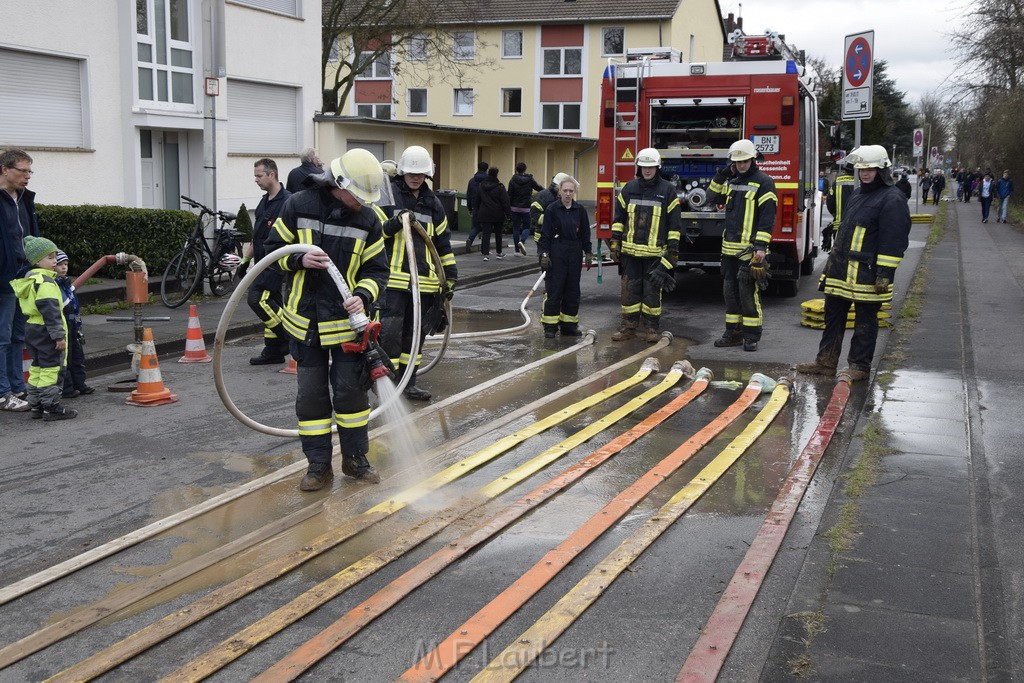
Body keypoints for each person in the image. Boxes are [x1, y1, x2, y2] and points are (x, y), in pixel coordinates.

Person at [263, 148, 390, 491]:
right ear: (339, 183)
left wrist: (362, 296)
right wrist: (298, 261)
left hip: (347, 326)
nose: (362, 203)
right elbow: (272, 256)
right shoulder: (297, 204)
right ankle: (319, 466)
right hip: (304, 323)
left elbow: (378, 270)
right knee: (311, 397)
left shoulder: (368, 220)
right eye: (358, 196)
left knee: (351, 396)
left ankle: (355, 459)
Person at [796, 144, 911, 382]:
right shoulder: (858, 194)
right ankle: (825, 362)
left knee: (865, 321)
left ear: (883, 169)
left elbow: (894, 240)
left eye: (870, 169)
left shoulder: (893, 199)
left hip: (867, 274)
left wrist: (884, 273)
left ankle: (859, 366)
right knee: (833, 317)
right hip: (841, 270)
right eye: (862, 169)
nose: (865, 173)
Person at [376, 146, 458, 401]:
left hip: (424, 283)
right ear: (402, 172)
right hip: (393, 281)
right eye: (411, 172)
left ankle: (408, 382)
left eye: (420, 173)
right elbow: (374, 232)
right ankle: (387, 385)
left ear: (427, 175)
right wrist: (393, 222)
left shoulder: (434, 205)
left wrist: (450, 276)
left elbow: (442, 244)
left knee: (415, 337)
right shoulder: (388, 196)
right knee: (389, 335)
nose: (415, 177)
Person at [706, 139, 777, 352]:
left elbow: (767, 217)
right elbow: (710, 196)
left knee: (748, 295)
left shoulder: (765, 182)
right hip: (729, 251)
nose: (741, 165)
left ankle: (751, 336)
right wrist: (722, 174)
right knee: (730, 294)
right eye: (737, 162)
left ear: (753, 159)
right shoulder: (732, 181)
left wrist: (761, 247)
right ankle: (733, 333)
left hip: (750, 252)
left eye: (745, 161)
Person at [609, 147, 681, 343]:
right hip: (630, 254)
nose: (647, 170)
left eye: (651, 167)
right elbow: (619, 218)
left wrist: (672, 250)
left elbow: (674, 225)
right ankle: (628, 328)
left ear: (657, 168)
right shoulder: (629, 188)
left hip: (654, 255)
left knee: (651, 293)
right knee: (629, 292)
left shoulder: (667, 190)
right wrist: (615, 241)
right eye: (643, 167)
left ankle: (651, 328)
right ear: (638, 168)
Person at [11, 236, 76, 420]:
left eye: (55, 256)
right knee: (52, 369)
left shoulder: (30, 280)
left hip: (32, 328)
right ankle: (51, 407)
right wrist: (59, 337)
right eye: (50, 257)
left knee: (38, 368)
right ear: (37, 261)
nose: (55, 260)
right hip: (47, 330)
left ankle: (36, 405)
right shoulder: (46, 281)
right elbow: (51, 311)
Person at [0, 149, 39, 412]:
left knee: (16, 337)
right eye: (22, 171)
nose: (27, 177)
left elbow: (31, 238)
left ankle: (17, 387)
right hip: (3, 278)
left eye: (29, 171)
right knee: (1, 337)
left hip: (23, 277)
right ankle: (2, 393)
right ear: (4, 169)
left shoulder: (24, 199)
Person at [246, 158, 292, 365]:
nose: (255, 179)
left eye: (259, 175)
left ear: (272, 174)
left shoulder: (288, 202)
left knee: (257, 299)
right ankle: (274, 350)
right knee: (273, 303)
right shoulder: (264, 202)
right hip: (261, 262)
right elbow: (257, 235)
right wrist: (245, 261)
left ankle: (288, 336)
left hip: (276, 262)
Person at [538, 176, 593, 338]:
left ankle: (569, 326)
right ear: (559, 191)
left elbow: (585, 234)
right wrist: (544, 254)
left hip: (574, 254)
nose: (568, 194)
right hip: (557, 253)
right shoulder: (552, 210)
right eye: (565, 191)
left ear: (574, 192)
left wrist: (588, 252)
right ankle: (550, 327)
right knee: (554, 290)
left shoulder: (580, 210)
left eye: (571, 191)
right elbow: (545, 235)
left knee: (572, 291)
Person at [54, 250, 93, 398]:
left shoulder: (67, 284)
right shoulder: (55, 284)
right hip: (64, 323)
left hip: (73, 322)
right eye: (60, 264)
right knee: (67, 358)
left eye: (66, 264)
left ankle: (80, 384)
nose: (64, 267)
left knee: (78, 355)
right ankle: (67, 388)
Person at [475, 166, 511, 261]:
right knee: (498, 233)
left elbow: (477, 199)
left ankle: (485, 254)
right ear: (497, 174)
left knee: (486, 233)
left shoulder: (481, 185)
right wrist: (508, 214)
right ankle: (499, 253)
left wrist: (475, 210)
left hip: (485, 212)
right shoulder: (500, 187)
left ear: (488, 173)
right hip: (497, 213)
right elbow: (505, 201)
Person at [508, 162, 543, 255]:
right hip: (526, 207)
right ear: (525, 169)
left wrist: (508, 207)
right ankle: (522, 241)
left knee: (516, 228)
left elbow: (509, 194)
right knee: (527, 227)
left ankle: (516, 250)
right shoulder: (530, 179)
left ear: (516, 169)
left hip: (514, 207)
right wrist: (547, 191)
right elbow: (538, 188)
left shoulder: (513, 179)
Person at [823, 161, 855, 253]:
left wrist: (836, 215)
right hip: (858, 227)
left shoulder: (838, 181)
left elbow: (830, 203)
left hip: (839, 225)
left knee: (838, 253)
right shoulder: (862, 182)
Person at [530, 172, 570, 246]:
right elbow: (534, 213)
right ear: (558, 186)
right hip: (543, 236)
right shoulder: (543, 196)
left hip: (556, 236)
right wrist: (551, 220)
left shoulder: (559, 197)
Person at [464, 161, 488, 253]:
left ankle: (470, 239)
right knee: (486, 227)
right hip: (486, 207)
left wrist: (469, 208)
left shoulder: (472, 180)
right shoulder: (488, 180)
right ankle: (484, 247)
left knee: (475, 226)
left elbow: (468, 195)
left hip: (475, 207)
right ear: (486, 169)